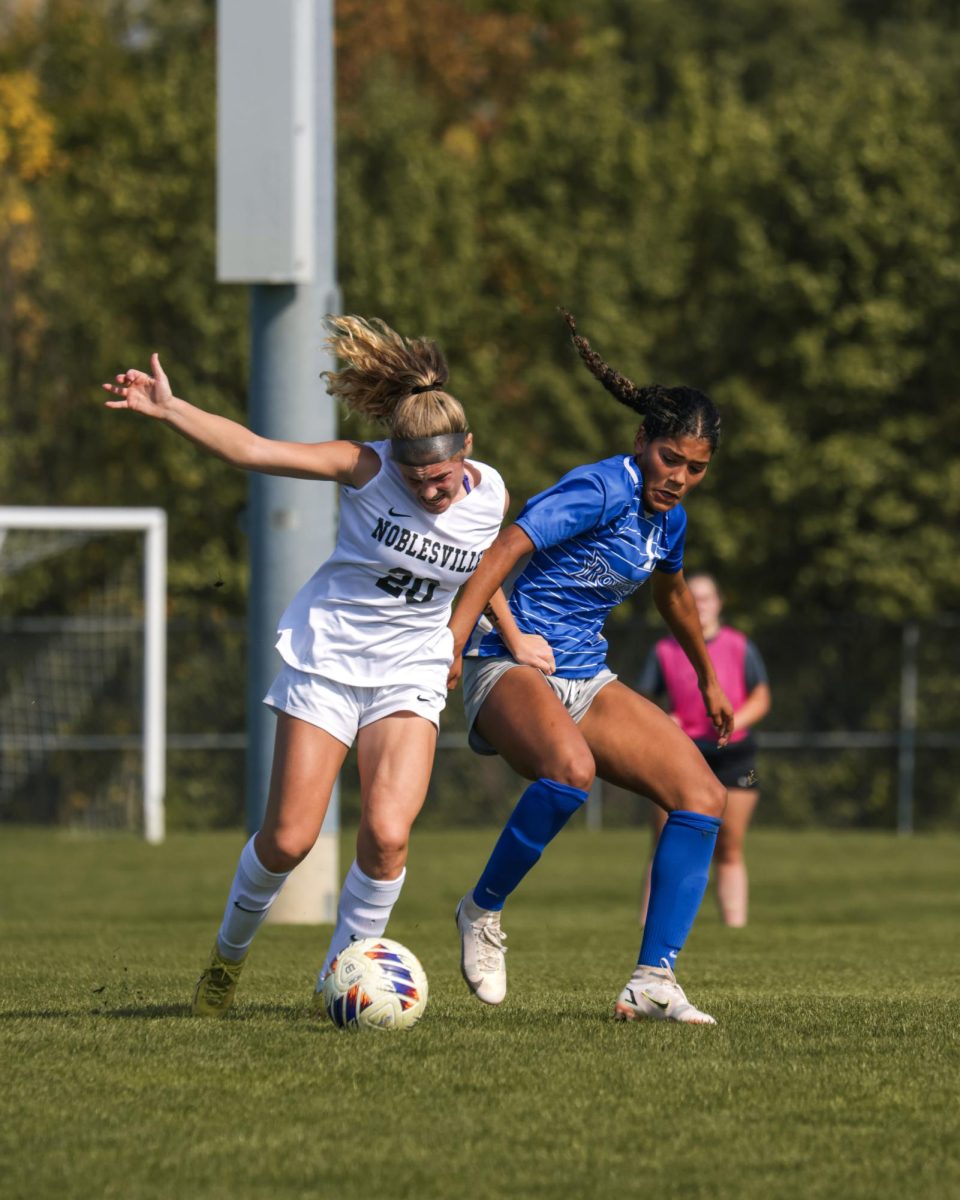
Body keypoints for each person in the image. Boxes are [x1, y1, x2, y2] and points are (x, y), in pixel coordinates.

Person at [102, 315, 550, 1017]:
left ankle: (336, 983)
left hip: (411, 670)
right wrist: (170, 409)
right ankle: (226, 959)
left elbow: (478, 574)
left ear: (468, 447)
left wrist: (511, 634)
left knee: (388, 834)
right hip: (331, 660)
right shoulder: (365, 467)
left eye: (441, 478)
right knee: (288, 839)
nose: (431, 493)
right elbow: (253, 450)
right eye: (417, 480)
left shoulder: (489, 492)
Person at [446, 308, 734, 1025]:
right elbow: (502, 551)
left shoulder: (668, 519)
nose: (679, 477)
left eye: (696, 468)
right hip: (505, 663)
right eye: (671, 459)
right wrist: (455, 642)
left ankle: (653, 981)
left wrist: (707, 674)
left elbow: (669, 590)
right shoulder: (601, 488)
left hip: (585, 675)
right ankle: (480, 911)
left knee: (702, 794)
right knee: (569, 771)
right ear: (642, 441)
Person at [637, 572, 770, 927]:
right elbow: (644, 701)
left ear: (719, 603)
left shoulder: (740, 645)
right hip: (681, 754)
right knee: (666, 842)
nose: (700, 605)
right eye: (692, 598)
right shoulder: (665, 649)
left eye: (707, 598)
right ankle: (648, 925)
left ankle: (734, 927)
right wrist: (666, 720)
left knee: (729, 846)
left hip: (740, 758)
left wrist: (734, 721)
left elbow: (761, 696)